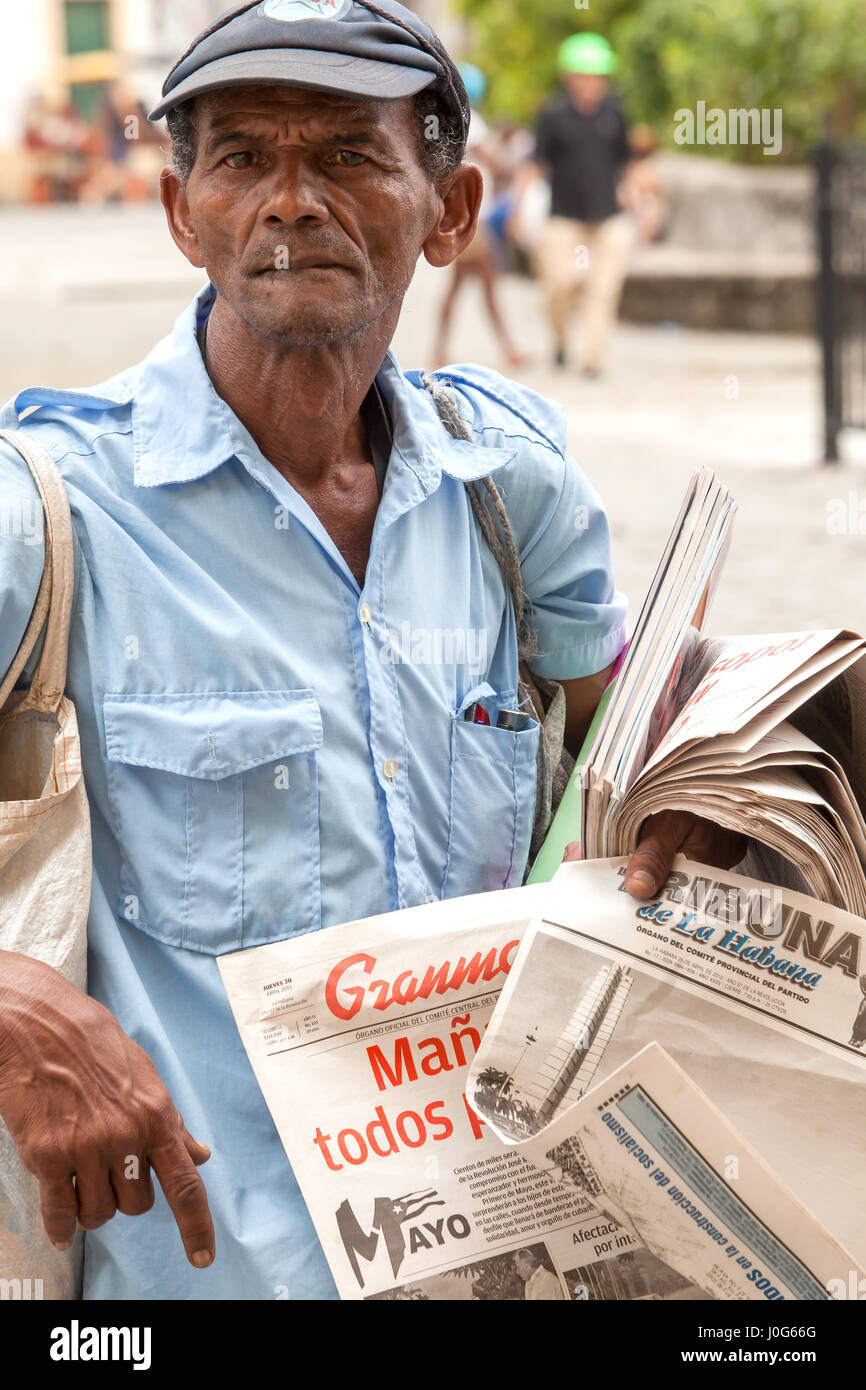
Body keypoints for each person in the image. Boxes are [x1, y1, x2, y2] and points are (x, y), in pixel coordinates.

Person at [0, 0, 744, 1301]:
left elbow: (626, 750)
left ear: (450, 209)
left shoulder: (513, 491)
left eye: (347, 155)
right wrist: (11, 1000)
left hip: (503, 1250)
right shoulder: (45, 511)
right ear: (183, 214)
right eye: (240, 159)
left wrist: (702, 798)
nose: (289, 201)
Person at [517, 32, 634, 375]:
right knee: (560, 283)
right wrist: (518, 207)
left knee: (604, 288)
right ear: (571, 77)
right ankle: (560, 340)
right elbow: (535, 163)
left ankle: (592, 358)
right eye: (586, 75)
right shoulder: (553, 115)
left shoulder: (615, 112)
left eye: (599, 76)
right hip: (564, 216)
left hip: (608, 216)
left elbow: (626, 163)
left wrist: (640, 202)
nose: (593, 83)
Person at [431, 62, 526, 369]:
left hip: (468, 216)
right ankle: (507, 346)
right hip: (476, 220)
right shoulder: (473, 121)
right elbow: (494, 162)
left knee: (464, 287)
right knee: (486, 285)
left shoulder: (450, 121)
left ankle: (443, 349)